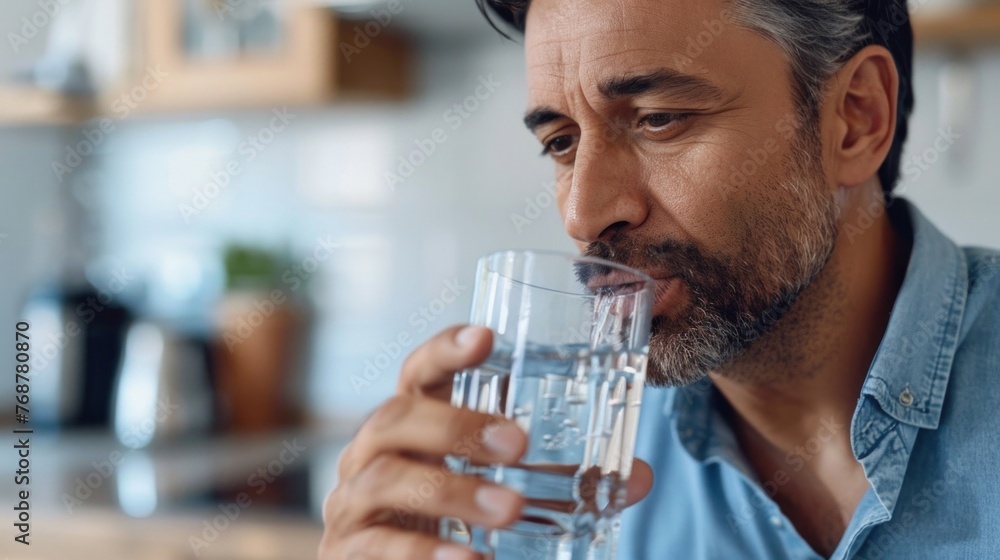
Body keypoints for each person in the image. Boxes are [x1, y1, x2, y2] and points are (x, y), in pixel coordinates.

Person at [319, 0, 1000, 558]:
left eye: (658, 120)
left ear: (856, 119)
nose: (584, 212)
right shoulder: (547, 468)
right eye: (561, 142)